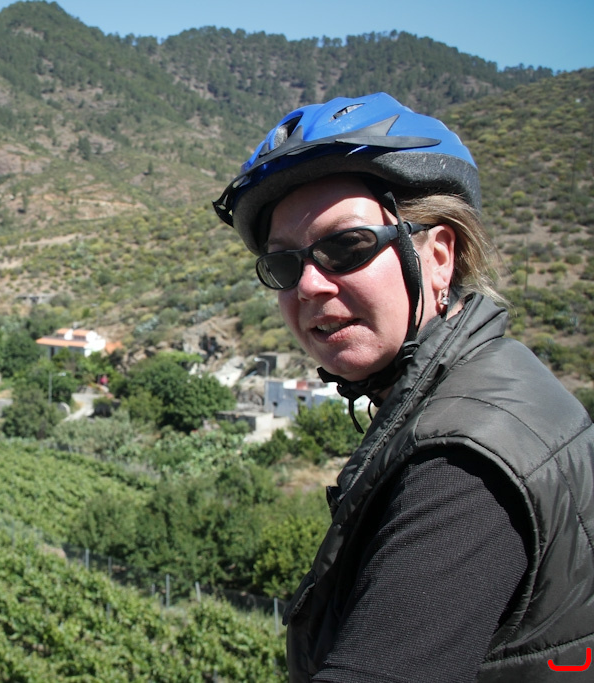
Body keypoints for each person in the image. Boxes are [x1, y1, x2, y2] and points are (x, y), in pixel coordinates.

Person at [213, 92, 594, 682]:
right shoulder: (498, 381)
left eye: (346, 246)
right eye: (284, 265)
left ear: (439, 256)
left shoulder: (461, 466)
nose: (308, 285)